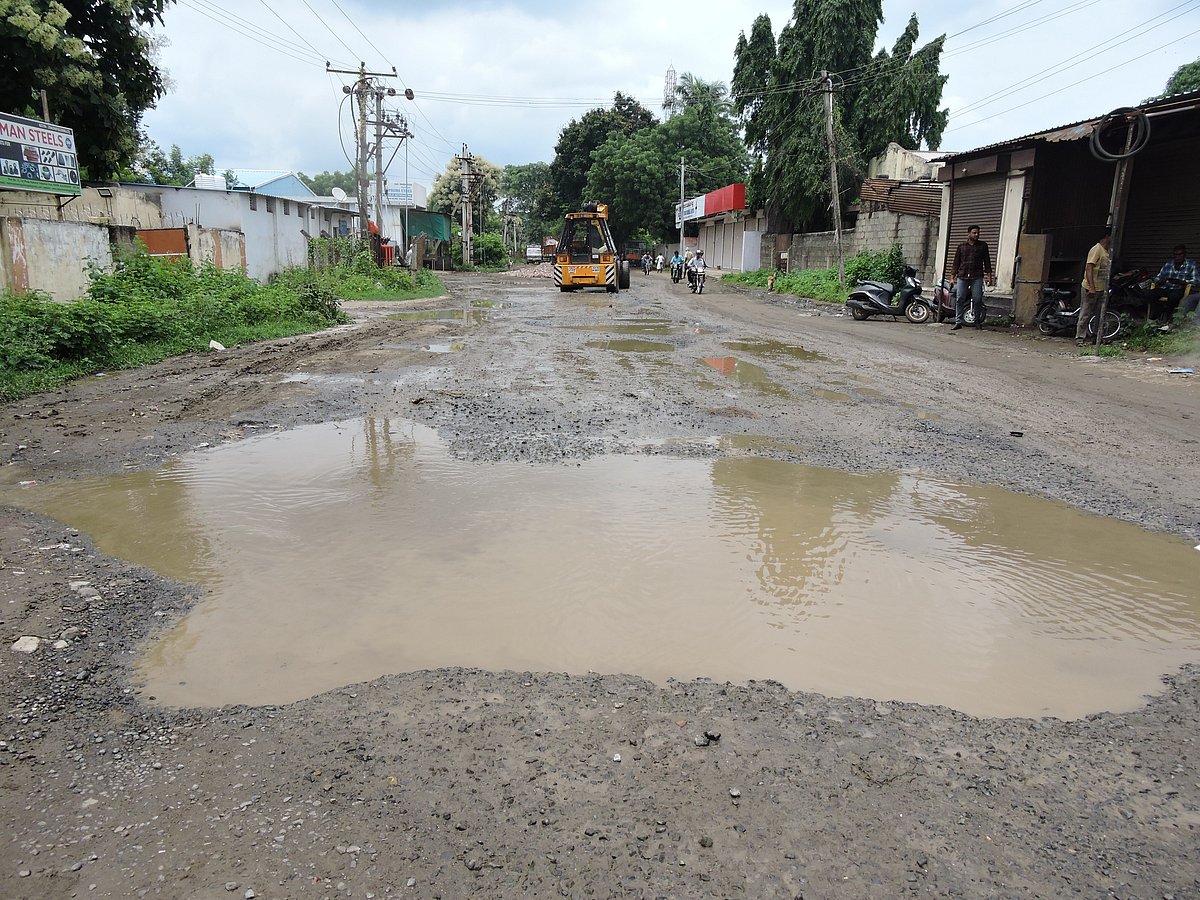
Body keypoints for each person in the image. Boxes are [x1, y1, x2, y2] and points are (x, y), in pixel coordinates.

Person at [949, 224, 994, 332]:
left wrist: (989, 277)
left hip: (977, 276)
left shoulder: (983, 246)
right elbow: (956, 263)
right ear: (968, 234)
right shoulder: (961, 247)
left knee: (977, 299)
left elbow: (987, 261)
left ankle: (977, 321)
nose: (976, 235)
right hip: (962, 276)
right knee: (960, 298)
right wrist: (952, 278)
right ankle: (958, 321)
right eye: (974, 233)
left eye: (978, 233)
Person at [1078, 228, 1112, 345]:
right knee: (1085, 312)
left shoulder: (1106, 251)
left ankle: (1096, 336)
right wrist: (1091, 287)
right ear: (1107, 236)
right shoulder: (1096, 249)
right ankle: (1080, 337)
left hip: (1102, 288)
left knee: (1100, 313)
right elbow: (1089, 268)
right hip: (1091, 287)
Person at [1149, 244, 1200, 323]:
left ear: (1184, 254)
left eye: (1180, 254)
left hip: (1179, 288)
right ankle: (1157, 314)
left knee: (1173, 297)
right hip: (1166, 287)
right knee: (1150, 294)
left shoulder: (1191, 264)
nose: (1177, 257)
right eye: (1175, 254)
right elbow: (1158, 277)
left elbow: (1196, 280)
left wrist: (1183, 282)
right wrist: (1161, 280)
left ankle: (1169, 317)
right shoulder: (1169, 264)